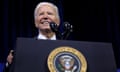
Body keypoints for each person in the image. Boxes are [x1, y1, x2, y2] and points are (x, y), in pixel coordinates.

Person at [4, 1, 61, 72]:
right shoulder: (23, 48)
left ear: (58, 21)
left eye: (49, 13)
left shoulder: (67, 48)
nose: (45, 17)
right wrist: (9, 64)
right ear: (35, 22)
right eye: (41, 14)